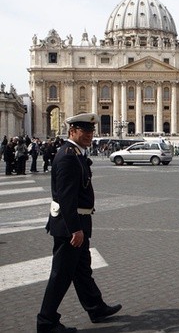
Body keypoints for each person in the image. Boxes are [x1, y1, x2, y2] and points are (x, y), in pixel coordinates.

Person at [37, 113, 121, 333]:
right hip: (70, 226)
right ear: (72, 131)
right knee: (61, 275)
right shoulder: (67, 156)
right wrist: (75, 229)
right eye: (85, 131)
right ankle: (46, 321)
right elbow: (66, 198)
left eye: (92, 131)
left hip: (78, 222)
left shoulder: (76, 154)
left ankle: (96, 307)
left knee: (82, 269)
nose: (90, 136)